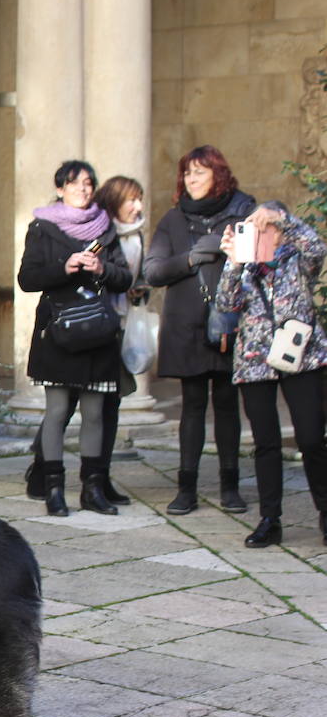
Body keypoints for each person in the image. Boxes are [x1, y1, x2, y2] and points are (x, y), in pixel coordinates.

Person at [25, 176, 149, 506]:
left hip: (100, 330)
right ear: (60, 188)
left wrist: (102, 268)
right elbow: (27, 278)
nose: (82, 190)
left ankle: (94, 486)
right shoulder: (42, 227)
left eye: (87, 184)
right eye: (75, 184)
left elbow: (123, 277)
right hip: (60, 329)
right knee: (59, 410)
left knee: (98, 411)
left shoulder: (106, 229)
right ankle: (50, 484)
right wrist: (64, 267)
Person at [144, 146, 253, 515]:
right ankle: (186, 488)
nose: (191, 179)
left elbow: (259, 259)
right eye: (187, 173)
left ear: (217, 176)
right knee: (192, 406)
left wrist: (229, 249)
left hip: (226, 323)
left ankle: (230, 487)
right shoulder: (173, 220)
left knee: (226, 405)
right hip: (185, 325)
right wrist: (191, 258)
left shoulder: (239, 211)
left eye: (200, 173)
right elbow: (153, 271)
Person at [214, 202, 327, 547]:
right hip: (255, 360)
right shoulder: (245, 266)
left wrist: (284, 218)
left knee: (311, 438)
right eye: (256, 227)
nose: (262, 234)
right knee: (266, 443)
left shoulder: (298, 257)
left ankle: (325, 512)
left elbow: (318, 247)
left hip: (302, 356)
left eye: (268, 227)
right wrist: (234, 263)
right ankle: (270, 520)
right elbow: (225, 305)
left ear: (281, 229)